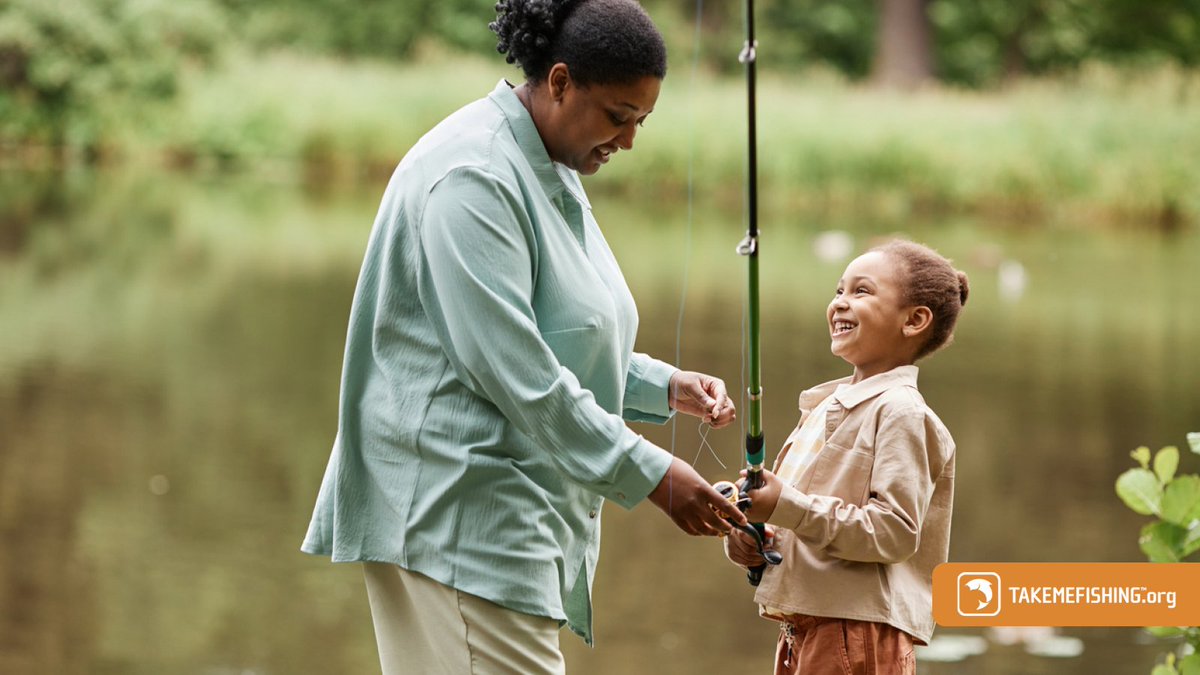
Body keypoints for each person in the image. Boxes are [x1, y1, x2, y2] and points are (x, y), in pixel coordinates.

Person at [301, 0, 748, 672]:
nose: (628, 141)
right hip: (454, 517)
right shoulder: (473, 177)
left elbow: (561, 334)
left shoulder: (551, 161)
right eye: (618, 117)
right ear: (561, 82)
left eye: (641, 122)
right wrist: (654, 475)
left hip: (509, 518)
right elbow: (519, 374)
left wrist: (663, 385)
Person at [725, 240, 969, 675]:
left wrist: (787, 506)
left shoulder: (902, 412)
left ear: (914, 320)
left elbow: (894, 531)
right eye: (839, 290)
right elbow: (802, 522)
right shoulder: (825, 406)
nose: (840, 303)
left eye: (862, 292)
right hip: (807, 624)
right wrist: (757, 538)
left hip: (856, 633)